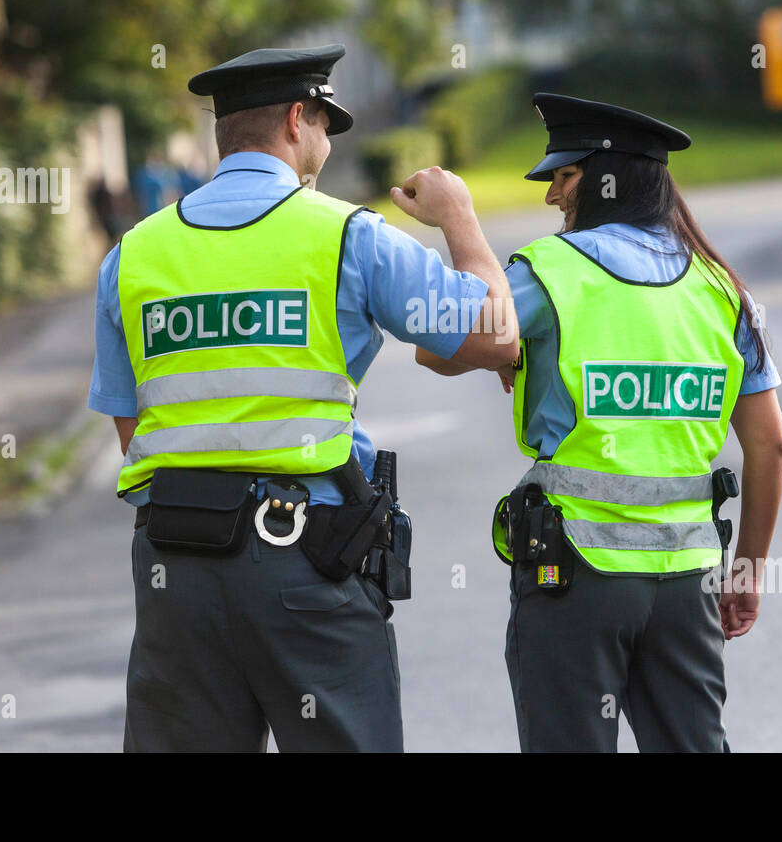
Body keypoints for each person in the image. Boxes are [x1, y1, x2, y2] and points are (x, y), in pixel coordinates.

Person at [87, 44, 517, 752]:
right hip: (304, 562)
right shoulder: (346, 235)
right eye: (325, 123)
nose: (326, 140)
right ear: (297, 119)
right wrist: (459, 218)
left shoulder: (133, 252)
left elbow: (133, 428)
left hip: (174, 570)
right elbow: (496, 336)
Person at [415, 93, 782, 752]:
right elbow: (771, 448)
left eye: (563, 175)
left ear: (605, 180)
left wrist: (461, 223)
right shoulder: (721, 287)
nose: (553, 196)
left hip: (576, 577)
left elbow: (441, 343)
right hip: (687, 582)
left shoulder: (552, 270)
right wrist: (747, 573)